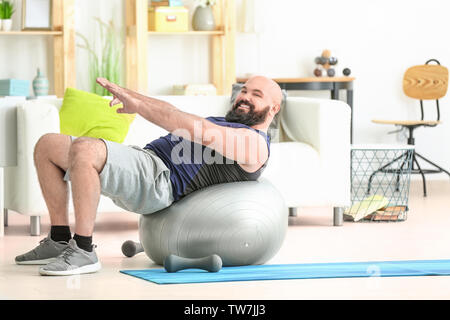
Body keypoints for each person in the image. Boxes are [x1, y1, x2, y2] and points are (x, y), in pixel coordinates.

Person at [15, 75, 282, 276]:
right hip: (146, 161)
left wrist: (140, 106)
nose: (244, 97)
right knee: (48, 145)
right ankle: (60, 238)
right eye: (243, 91)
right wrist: (131, 96)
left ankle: (84, 249)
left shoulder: (254, 143)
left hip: (160, 180)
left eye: (256, 95)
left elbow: (188, 125)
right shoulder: (228, 124)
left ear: (274, 109)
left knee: (85, 149)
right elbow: (177, 114)